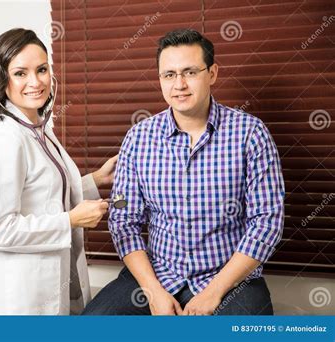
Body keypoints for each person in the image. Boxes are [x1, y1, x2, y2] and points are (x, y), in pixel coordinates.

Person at [83, 29, 285, 316]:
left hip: (229, 281)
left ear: (212, 73)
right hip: (157, 275)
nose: (179, 84)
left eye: (190, 72)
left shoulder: (250, 134)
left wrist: (213, 293)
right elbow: (123, 220)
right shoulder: (138, 138)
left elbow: (267, 223)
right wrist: (153, 291)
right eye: (169, 75)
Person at [0, 28, 117, 315]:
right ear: (1, 79)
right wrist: (70, 220)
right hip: (14, 299)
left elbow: (43, 192)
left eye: (42, 69)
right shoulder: (5, 140)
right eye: (20, 73)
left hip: (46, 289)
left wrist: (96, 180)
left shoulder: (38, 130)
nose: (35, 82)